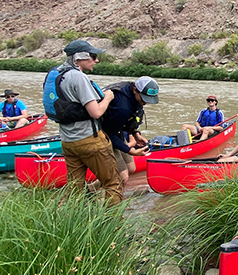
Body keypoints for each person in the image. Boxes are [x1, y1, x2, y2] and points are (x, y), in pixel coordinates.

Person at [42, 39, 122, 206]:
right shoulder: (78, 77)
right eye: (93, 56)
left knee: (75, 188)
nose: (96, 60)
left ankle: (75, 224)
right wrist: (108, 97)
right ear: (79, 57)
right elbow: (96, 112)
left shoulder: (56, 74)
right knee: (113, 183)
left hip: (67, 141)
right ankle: (113, 226)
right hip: (89, 140)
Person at [101, 76, 159, 187]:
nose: (145, 103)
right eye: (143, 99)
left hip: (117, 132)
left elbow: (130, 120)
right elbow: (109, 134)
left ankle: (91, 188)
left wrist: (135, 134)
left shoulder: (132, 92)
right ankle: (113, 202)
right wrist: (130, 151)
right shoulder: (122, 107)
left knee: (131, 168)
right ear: (134, 90)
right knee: (123, 177)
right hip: (105, 136)